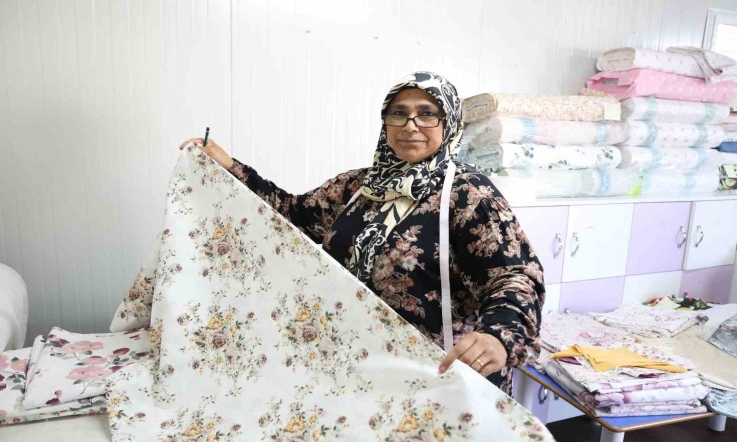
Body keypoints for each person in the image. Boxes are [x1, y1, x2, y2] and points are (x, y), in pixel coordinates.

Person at [180, 71, 545, 395]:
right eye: (398, 113)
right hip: (359, 371)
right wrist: (228, 166)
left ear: (448, 123)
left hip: (437, 377)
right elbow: (292, 213)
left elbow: (514, 276)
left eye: (426, 114)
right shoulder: (359, 187)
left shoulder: (468, 194)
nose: (410, 125)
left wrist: (499, 334)